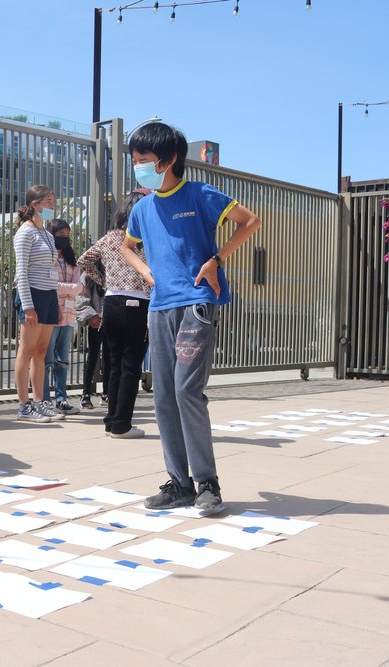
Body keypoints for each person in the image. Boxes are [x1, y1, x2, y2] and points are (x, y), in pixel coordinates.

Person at [120, 122, 261, 512]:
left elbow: (250, 221)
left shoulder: (200, 194)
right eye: (135, 161)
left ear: (170, 160)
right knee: (164, 394)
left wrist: (217, 260)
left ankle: (207, 483)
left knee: (186, 390)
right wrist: (148, 274)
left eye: (144, 161)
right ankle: (179, 483)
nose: (139, 168)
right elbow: (126, 247)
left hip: (198, 302)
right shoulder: (144, 207)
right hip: (160, 306)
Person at [79, 191, 150, 439]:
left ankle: (111, 420)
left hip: (111, 303)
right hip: (137, 304)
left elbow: (83, 261)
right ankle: (122, 424)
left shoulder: (109, 238)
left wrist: (104, 280)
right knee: (131, 367)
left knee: (114, 365)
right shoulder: (145, 240)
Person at [13, 185, 61, 423]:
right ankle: (24, 405)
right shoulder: (25, 232)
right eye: (48, 202)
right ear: (35, 205)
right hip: (32, 294)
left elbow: (50, 269)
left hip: (49, 294)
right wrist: (28, 306)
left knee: (42, 351)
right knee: (27, 350)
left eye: (53, 201)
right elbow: (21, 272)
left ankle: (40, 401)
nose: (53, 206)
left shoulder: (48, 234)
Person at [42, 219, 83, 415]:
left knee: (63, 360)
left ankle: (61, 399)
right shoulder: (46, 257)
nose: (64, 238)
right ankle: (44, 400)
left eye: (67, 235)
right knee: (47, 360)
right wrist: (70, 289)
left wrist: (66, 288)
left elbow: (80, 287)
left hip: (69, 316)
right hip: (51, 314)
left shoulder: (72, 261)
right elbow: (50, 285)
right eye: (60, 235)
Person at [76, 264, 110, 409]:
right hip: (96, 321)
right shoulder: (88, 274)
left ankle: (107, 393)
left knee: (110, 358)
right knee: (92, 357)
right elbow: (82, 297)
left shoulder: (113, 272)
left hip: (111, 320)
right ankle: (86, 394)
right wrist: (91, 316)